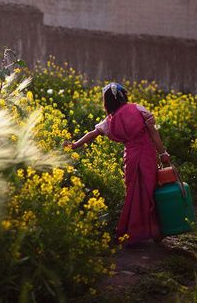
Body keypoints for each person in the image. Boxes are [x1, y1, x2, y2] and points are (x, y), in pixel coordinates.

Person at [64, 83, 170, 245]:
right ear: (123, 96)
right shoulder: (138, 109)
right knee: (150, 191)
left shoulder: (110, 121)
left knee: (133, 193)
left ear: (107, 102)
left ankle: (133, 233)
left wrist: (74, 145)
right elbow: (153, 132)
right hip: (147, 155)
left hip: (131, 157)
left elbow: (92, 134)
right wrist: (162, 153)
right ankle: (155, 232)